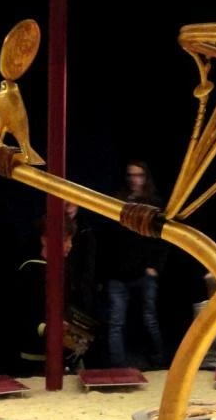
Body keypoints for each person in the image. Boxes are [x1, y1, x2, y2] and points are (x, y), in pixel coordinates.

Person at [99, 161, 168, 369]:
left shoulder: (153, 204)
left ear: (145, 178)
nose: (134, 180)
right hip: (119, 272)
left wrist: (155, 266)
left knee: (149, 319)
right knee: (116, 322)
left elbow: (163, 238)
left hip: (143, 271)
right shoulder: (117, 202)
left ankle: (158, 362)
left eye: (138, 175)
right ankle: (118, 367)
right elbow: (108, 239)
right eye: (131, 175)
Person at [15, 214, 95, 377]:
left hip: (64, 356)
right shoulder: (31, 270)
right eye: (65, 240)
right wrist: (49, 328)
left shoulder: (64, 271)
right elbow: (23, 315)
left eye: (71, 240)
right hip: (37, 358)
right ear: (45, 240)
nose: (70, 245)